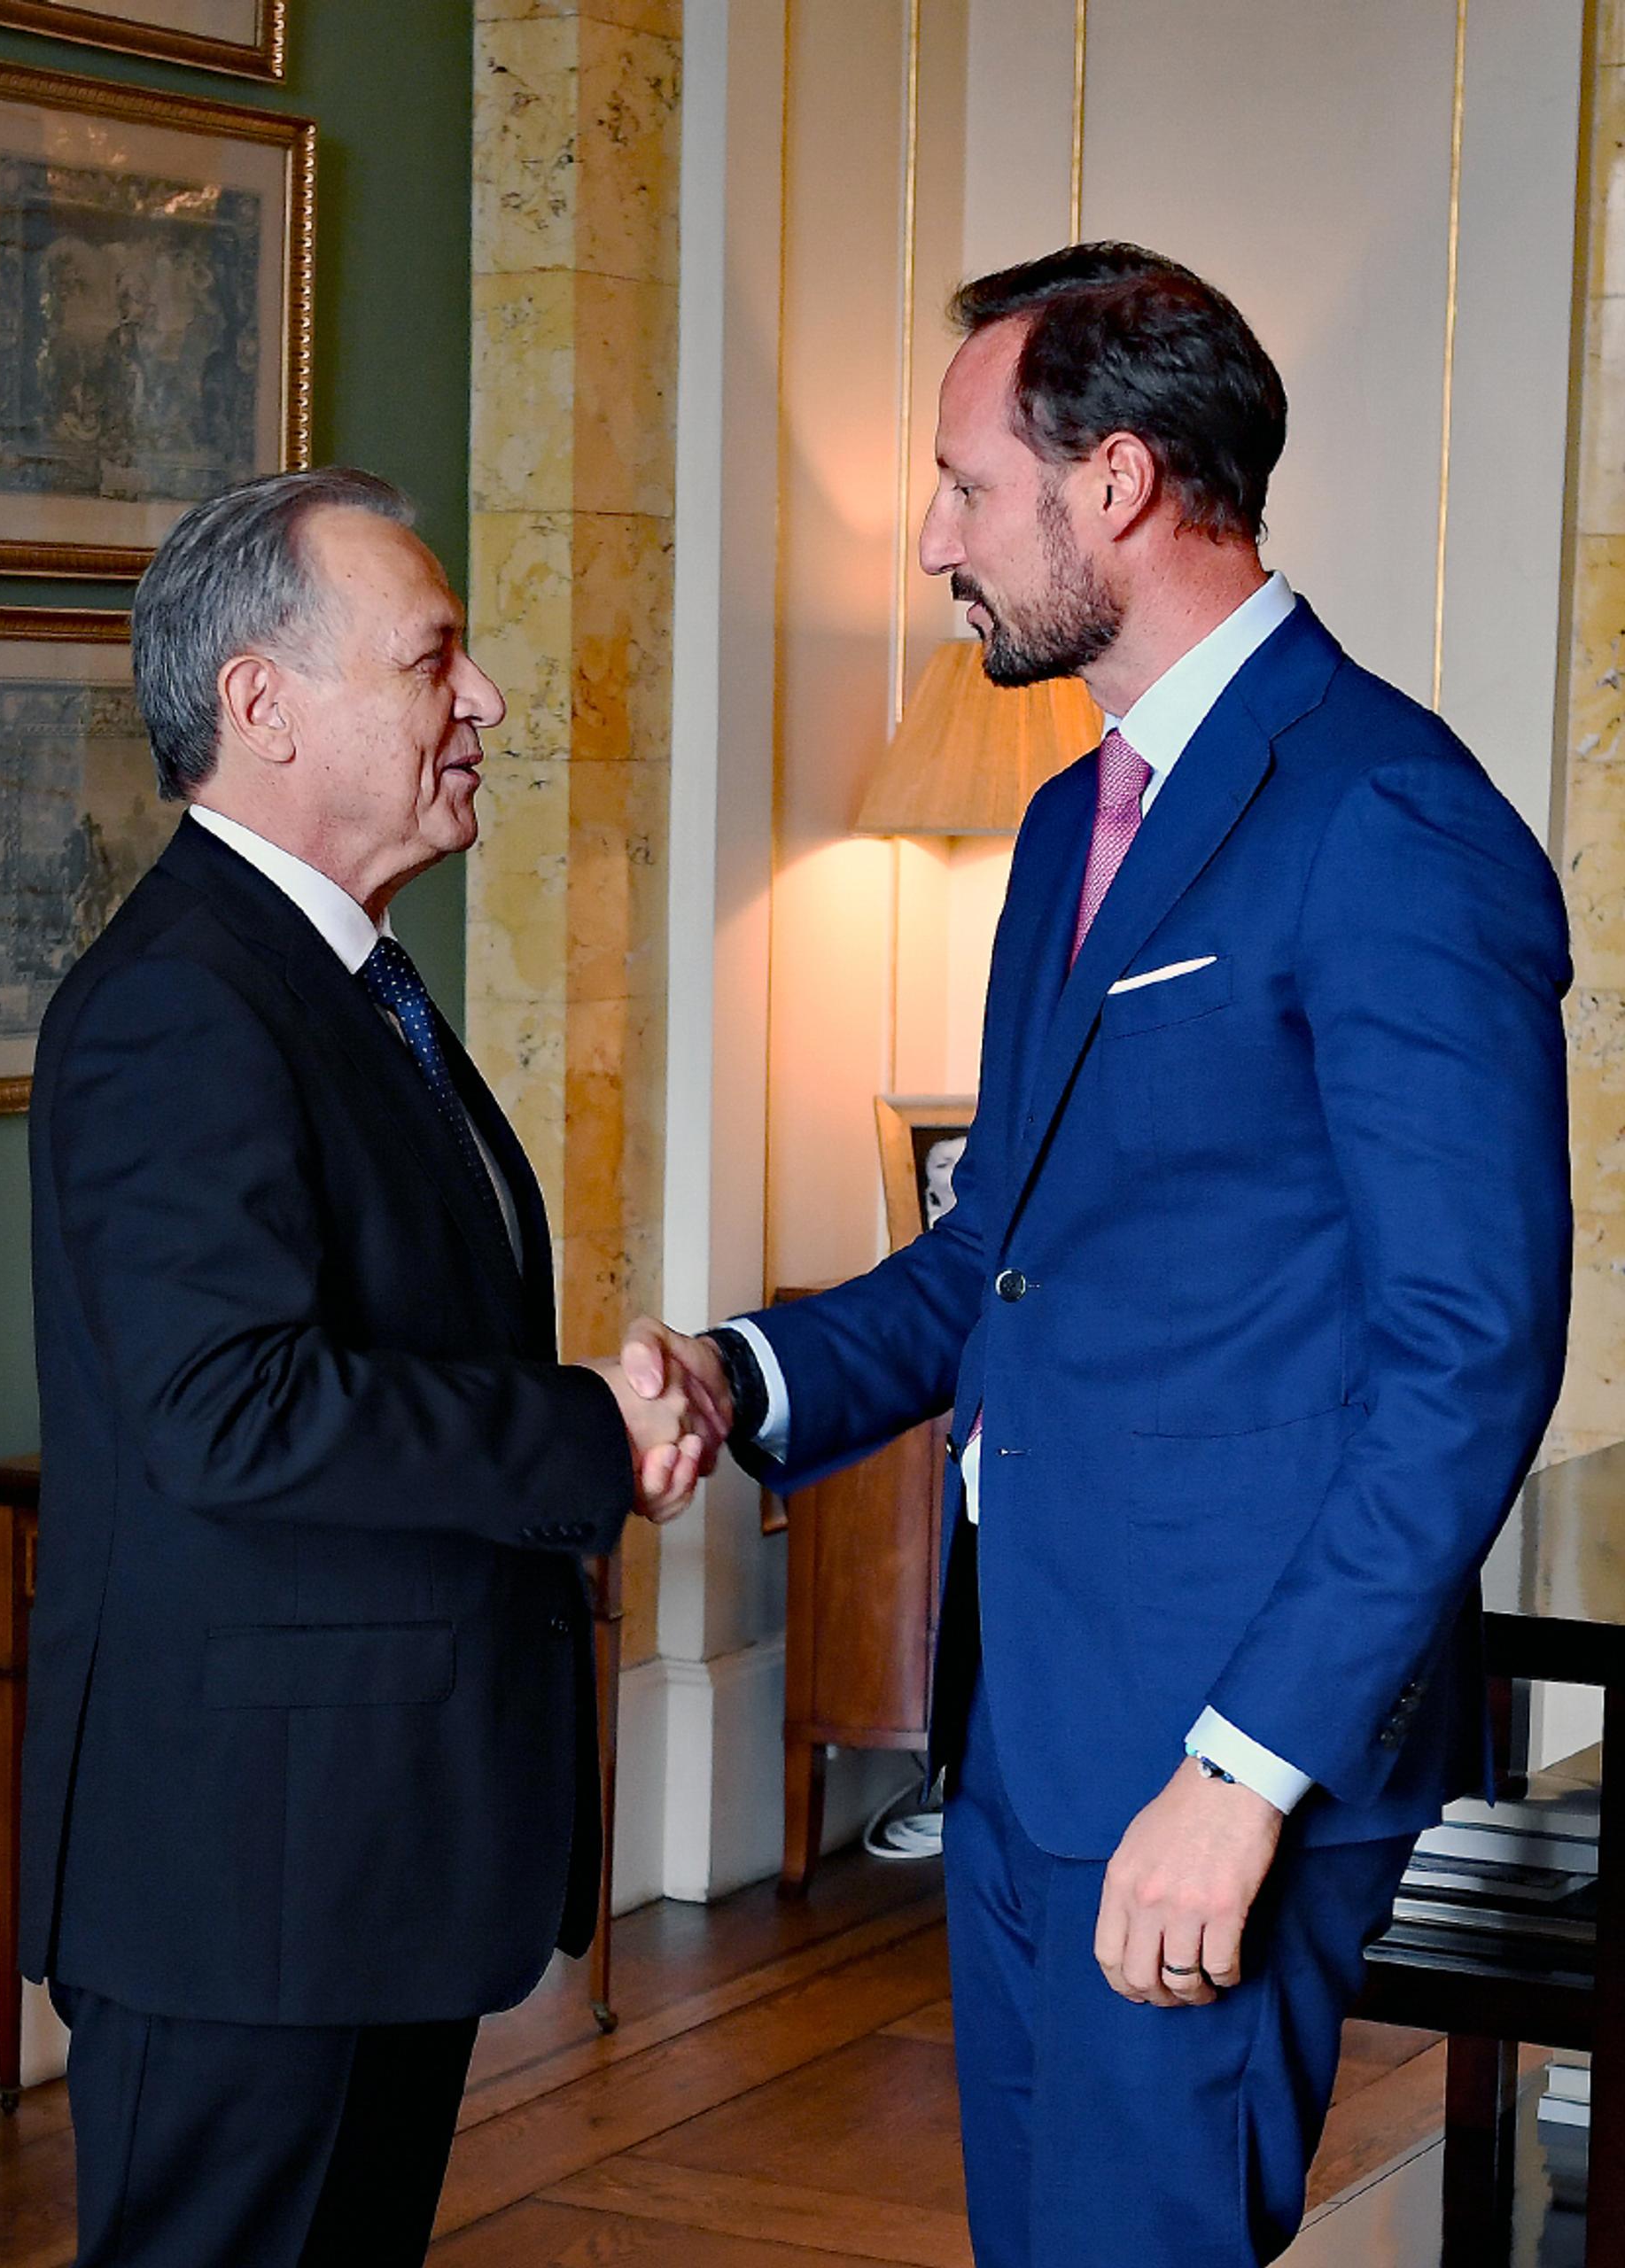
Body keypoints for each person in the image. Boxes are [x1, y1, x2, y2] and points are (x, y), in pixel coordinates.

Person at [624, 243, 1573, 2265]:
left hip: (1223, 1746)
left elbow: (1471, 1349)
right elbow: (1000, 1255)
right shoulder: (1071, 826)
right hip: (1030, 1727)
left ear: (1119, 483)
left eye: (967, 488)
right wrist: (741, 1372)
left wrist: (1242, 1771)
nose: (937, 544)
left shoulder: (1390, 813)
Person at [22, 467, 712, 2268]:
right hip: (245, 1885)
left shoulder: (343, 981)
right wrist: (584, 1428)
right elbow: (229, 1407)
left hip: (358, 1864)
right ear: (261, 704)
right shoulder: (180, 999)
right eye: (433, 658)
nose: (486, 697)